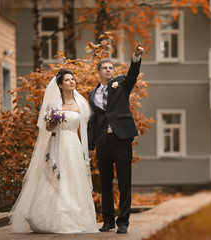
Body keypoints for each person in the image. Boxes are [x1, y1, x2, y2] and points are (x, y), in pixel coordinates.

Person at [10, 69, 99, 234]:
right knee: (55, 177)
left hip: (73, 143)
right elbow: (48, 128)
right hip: (57, 142)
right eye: (67, 80)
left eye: (73, 79)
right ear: (60, 84)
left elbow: (86, 129)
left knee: (73, 178)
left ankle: (75, 219)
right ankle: (46, 219)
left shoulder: (81, 103)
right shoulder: (54, 104)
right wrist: (53, 120)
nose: (72, 82)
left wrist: (86, 151)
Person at [87, 43, 144, 234]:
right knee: (105, 182)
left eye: (111, 67)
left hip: (122, 139)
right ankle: (108, 221)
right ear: (99, 71)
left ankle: (123, 222)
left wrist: (135, 58)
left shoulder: (121, 84)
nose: (109, 70)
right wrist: (91, 145)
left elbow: (132, 75)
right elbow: (93, 121)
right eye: (105, 68)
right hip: (103, 142)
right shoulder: (92, 94)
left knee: (124, 181)